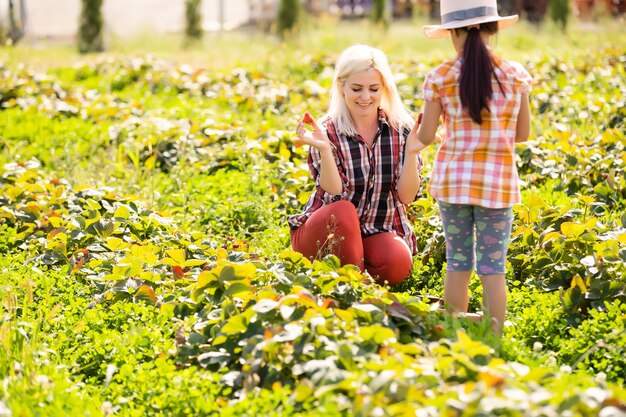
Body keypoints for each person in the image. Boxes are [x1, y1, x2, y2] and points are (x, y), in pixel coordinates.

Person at [412, 0, 532, 333]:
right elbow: (522, 134)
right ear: (493, 28)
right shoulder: (516, 75)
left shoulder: (440, 77)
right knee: (494, 267)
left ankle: (453, 329)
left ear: (451, 32)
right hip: (498, 185)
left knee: (458, 261)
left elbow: (425, 134)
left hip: (453, 184)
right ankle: (494, 334)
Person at [287, 44, 424, 286]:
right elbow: (334, 191)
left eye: (374, 89)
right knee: (343, 210)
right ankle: (355, 287)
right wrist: (325, 149)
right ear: (341, 87)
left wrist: (412, 152)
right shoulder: (327, 130)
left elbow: (407, 197)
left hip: (374, 231)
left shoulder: (401, 129)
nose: (365, 97)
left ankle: (355, 279)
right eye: (357, 88)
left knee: (397, 261)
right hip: (324, 234)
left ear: (384, 88)